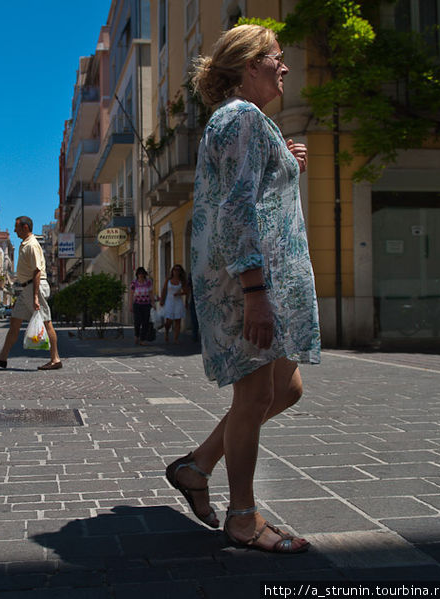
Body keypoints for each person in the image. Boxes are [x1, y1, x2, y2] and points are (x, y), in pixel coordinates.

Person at [164, 25, 319, 554]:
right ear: (251, 64)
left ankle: (196, 465)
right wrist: (254, 289)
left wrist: (285, 164)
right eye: (277, 58)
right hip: (245, 281)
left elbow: (251, 190)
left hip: (256, 277)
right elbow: (235, 207)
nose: (285, 66)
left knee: (286, 388)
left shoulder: (249, 122)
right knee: (254, 394)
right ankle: (243, 518)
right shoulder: (241, 117)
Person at [0, 216, 62, 370]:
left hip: (34, 287)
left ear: (25, 227)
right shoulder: (25, 244)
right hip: (27, 288)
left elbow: (37, 271)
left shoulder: (32, 245)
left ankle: (55, 359)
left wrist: (36, 297)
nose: (14, 230)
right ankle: (2, 357)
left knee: (46, 322)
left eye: (16, 226)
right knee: (14, 322)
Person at [159, 264, 189, 344]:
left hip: (178, 302)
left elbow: (186, 291)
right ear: (172, 271)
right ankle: (167, 332)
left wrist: (180, 294)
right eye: (175, 270)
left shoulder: (182, 281)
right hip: (169, 301)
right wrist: (162, 300)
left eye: (178, 270)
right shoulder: (168, 280)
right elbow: (164, 290)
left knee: (178, 320)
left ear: (180, 272)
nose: (176, 271)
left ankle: (176, 338)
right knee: (169, 321)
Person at [130, 267, 154, 345]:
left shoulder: (148, 282)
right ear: (137, 274)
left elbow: (151, 293)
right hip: (137, 304)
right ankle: (137, 335)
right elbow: (131, 294)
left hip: (146, 304)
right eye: (139, 273)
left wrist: (153, 303)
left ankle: (142, 339)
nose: (141, 275)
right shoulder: (134, 283)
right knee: (137, 321)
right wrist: (130, 305)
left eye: (142, 273)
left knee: (145, 322)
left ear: (144, 274)